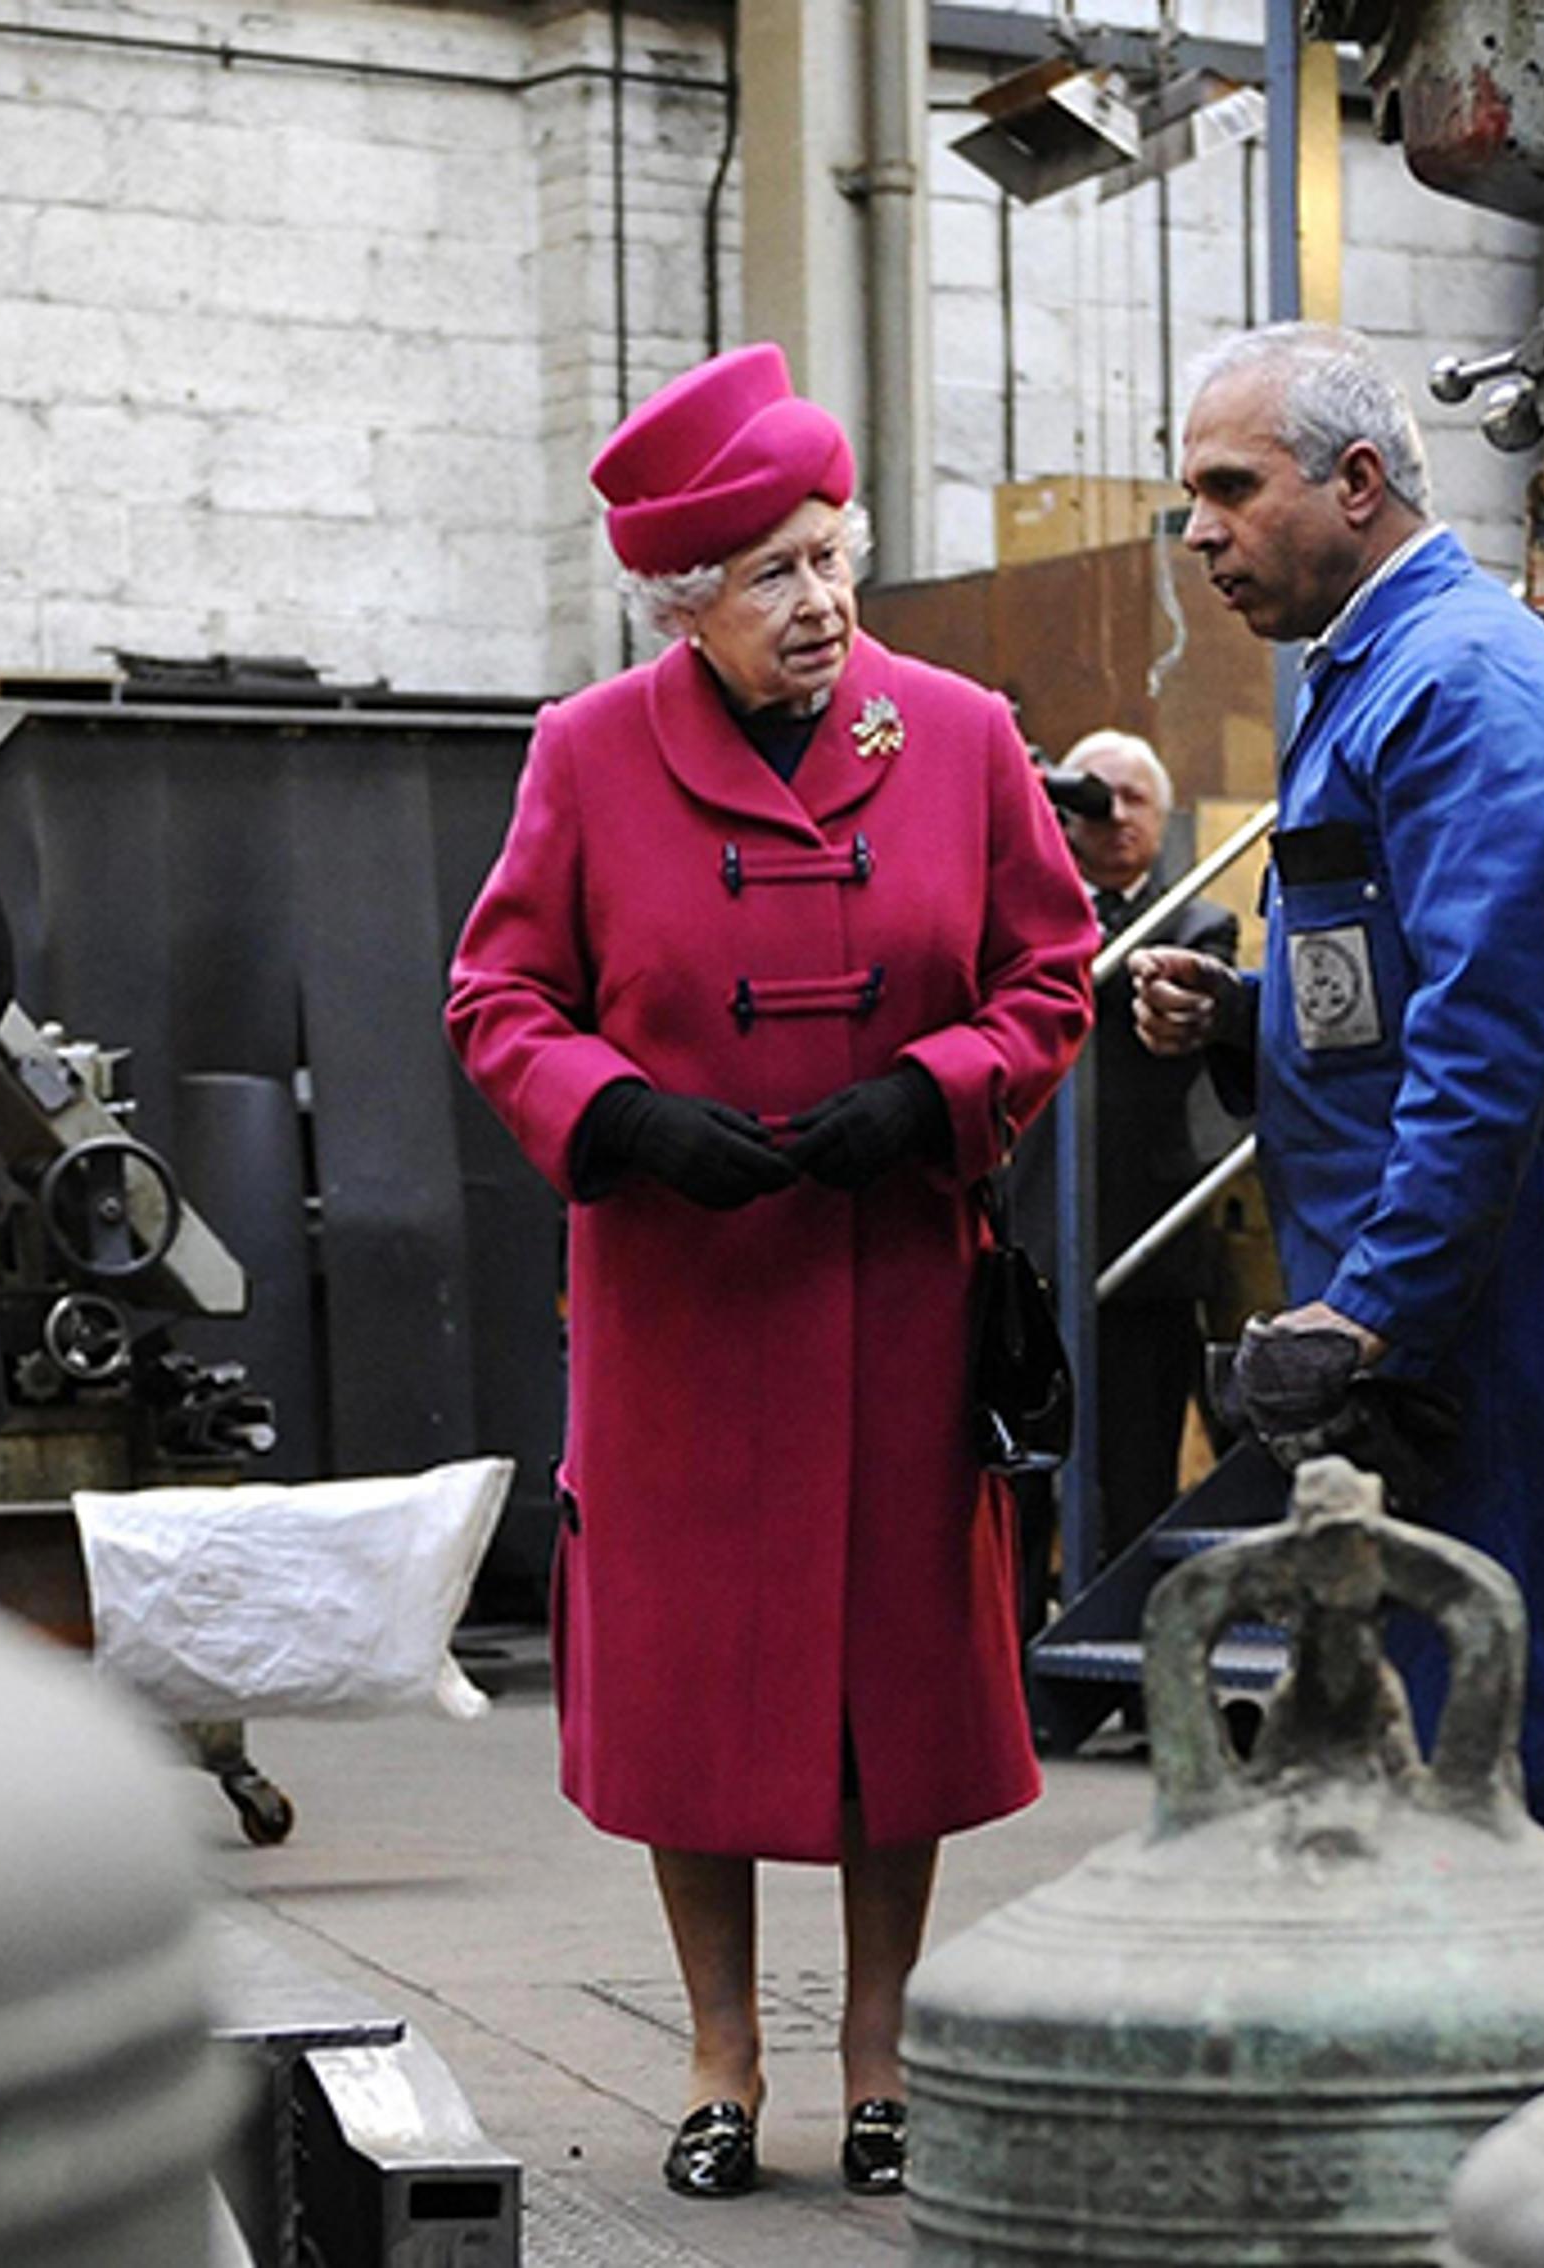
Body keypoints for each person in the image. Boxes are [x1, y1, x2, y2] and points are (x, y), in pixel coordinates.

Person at [444, 344, 1094, 2203]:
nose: (818, 603)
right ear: (683, 604)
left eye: (829, 556)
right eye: (769, 575)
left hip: (899, 1284)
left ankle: (880, 2060)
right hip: (683, 1305)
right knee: (696, 1693)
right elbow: (500, 996)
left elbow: (1050, 973)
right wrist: (625, 1119)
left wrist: (934, 1090)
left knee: (898, 1682)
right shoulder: (587, 753)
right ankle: (721, 2060)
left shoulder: (959, 735)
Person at [1130, 322, 1544, 1856]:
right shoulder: (1366, 675)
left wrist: (1376, 1310)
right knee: (1406, 1722)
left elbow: (1487, 1037)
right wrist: (1248, 1020)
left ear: (1357, 481)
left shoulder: (1460, 683)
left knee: (1498, 1720)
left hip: (1480, 1278)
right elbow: (1394, 988)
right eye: (1192, 496)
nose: (1200, 533)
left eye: (1231, 489)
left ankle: (1538, 2014)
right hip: (1406, 1270)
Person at [1006, 727, 1240, 1597]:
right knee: (1019, 1479)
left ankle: (1139, 1649)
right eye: (1092, 798)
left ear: (1164, 816)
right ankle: (1017, 1653)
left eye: (1133, 799)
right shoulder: (1025, 912)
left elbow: (1145, 1013)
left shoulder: (1196, 925)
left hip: (1145, 1247)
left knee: (1140, 1471)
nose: (1114, 817)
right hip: (1034, 1240)